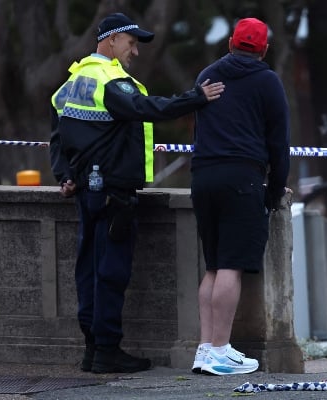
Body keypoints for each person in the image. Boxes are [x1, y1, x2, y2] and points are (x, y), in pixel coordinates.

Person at [49, 12, 225, 374]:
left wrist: (64, 173)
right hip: (113, 192)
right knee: (111, 271)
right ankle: (108, 351)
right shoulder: (109, 79)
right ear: (111, 40)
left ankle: (92, 350)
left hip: (86, 189)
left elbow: (57, 130)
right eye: (131, 43)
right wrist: (196, 98)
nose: (136, 52)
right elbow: (147, 108)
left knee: (88, 271)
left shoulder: (73, 81)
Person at [189, 17, 290, 375]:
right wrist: (275, 191)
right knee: (231, 264)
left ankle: (204, 348)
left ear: (231, 42)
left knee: (213, 264)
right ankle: (220, 350)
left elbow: (198, 126)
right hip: (241, 178)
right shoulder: (267, 81)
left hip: (203, 176)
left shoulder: (207, 74)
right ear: (263, 49)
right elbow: (278, 144)